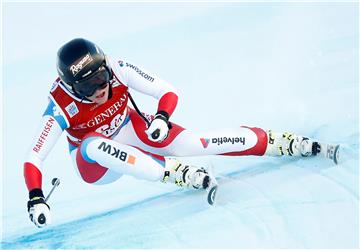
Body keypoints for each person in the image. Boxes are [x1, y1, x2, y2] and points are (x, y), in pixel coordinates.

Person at [24, 38, 339, 228]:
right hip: (97, 166)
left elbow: (166, 90)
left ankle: (275, 142)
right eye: (88, 86)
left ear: (107, 66)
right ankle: (174, 173)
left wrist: (161, 118)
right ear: (71, 87)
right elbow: (34, 157)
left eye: (103, 77)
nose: (101, 89)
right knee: (93, 144)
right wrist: (36, 198)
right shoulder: (60, 105)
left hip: (131, 130)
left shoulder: (118, 67)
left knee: (193, 143)